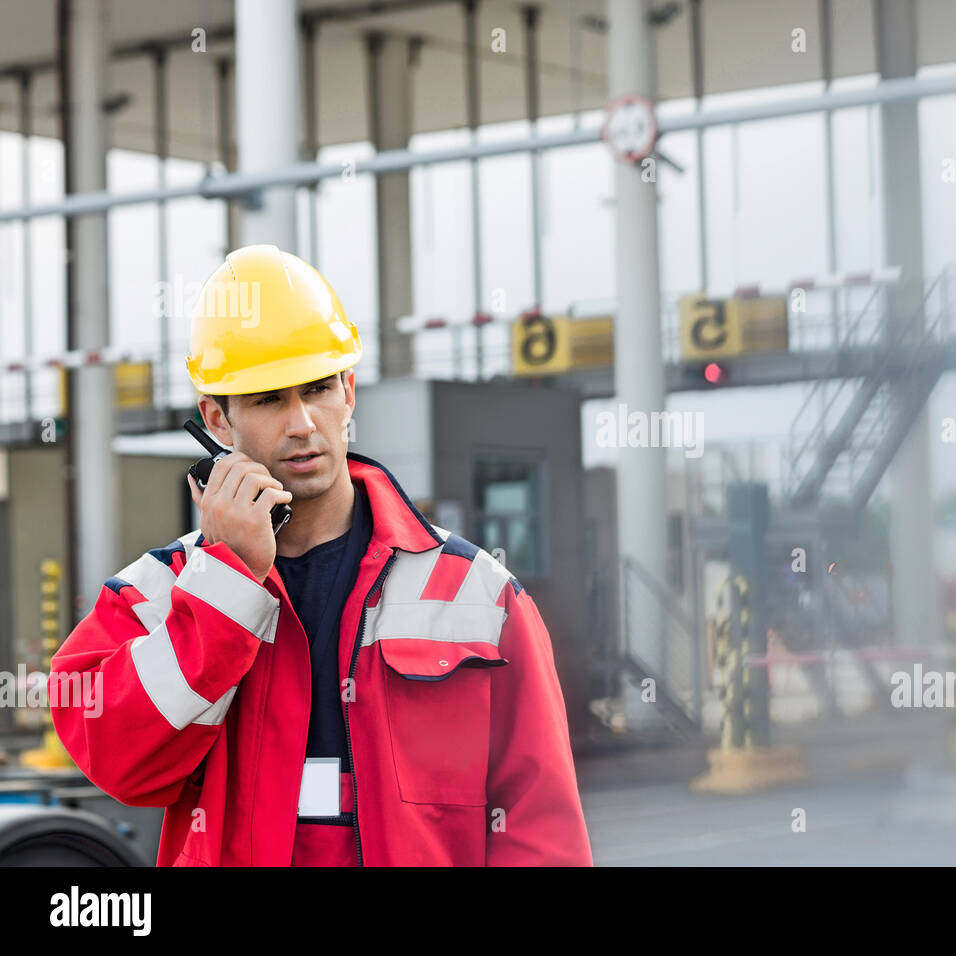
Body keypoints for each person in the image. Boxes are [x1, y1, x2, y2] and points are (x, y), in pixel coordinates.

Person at [49, 244, 593, 866]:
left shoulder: (477, 594)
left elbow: (538, 826)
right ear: (216, 421)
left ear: (349, 391)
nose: (302, 422)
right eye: (267, 399)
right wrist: (224, 585)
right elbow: (122, 767)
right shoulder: (154, 594)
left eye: (317, 388)